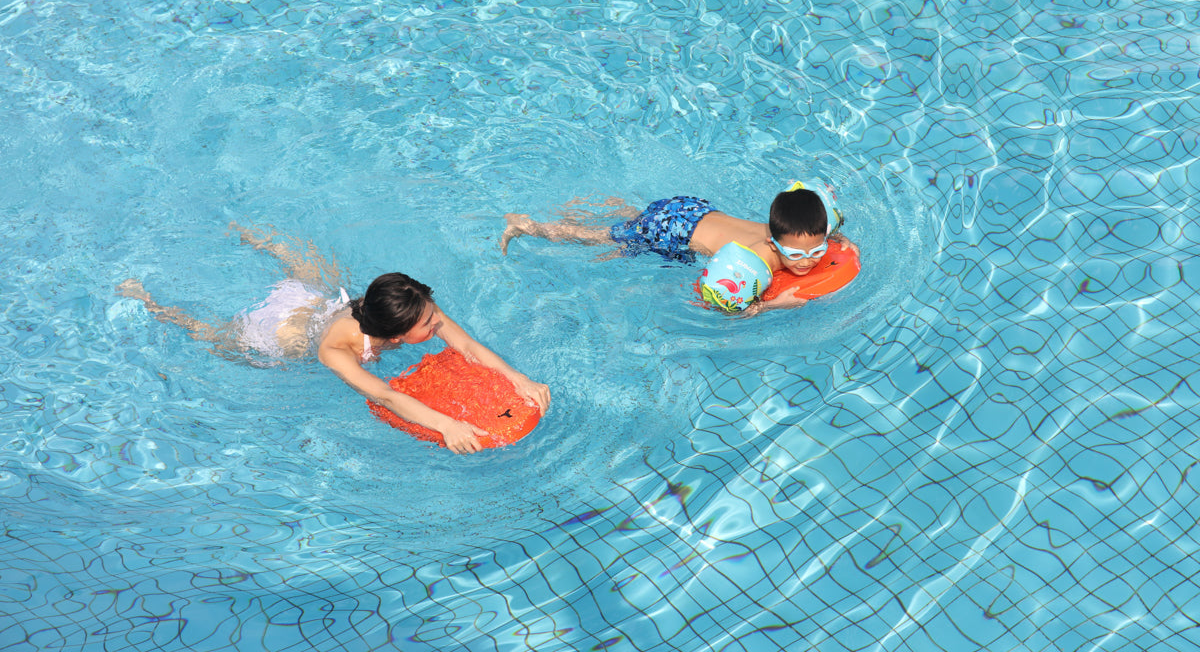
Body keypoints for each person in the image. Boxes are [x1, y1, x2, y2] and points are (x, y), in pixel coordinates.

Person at [117, 224, 549, 454]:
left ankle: (246, 231)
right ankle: (152, 302)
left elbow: (467, 345)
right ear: (397, 333)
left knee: (310, 274)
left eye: (435, 317)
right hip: (279, 336)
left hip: (318, 303)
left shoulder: (412, 306)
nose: (439, 325)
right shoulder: (334, 353)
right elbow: (384, 396)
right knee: (215, 338)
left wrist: (519, 379)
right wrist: (448, 424)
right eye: (429, 326)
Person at [500, 183, 858, 315]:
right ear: (772, 242)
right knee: (604, 238)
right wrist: (774, 306)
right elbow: (717, 305)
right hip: (670, 230)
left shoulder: (808, 223)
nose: (808, 261)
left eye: (817, 250)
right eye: (795, 255)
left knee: (635, 220)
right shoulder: (753, 262)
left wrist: (838, 242)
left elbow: (817, 203)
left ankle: (608, 206)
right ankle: (530, 226)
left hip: (692, 208)